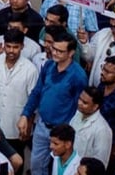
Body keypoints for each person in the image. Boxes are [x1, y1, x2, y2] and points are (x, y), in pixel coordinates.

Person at [18, 29, 88, 175]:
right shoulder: (48, 66)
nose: (55, 53)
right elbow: (37, 92)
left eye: (60, 51)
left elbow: (79, 107)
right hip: (42, 125)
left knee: (60, 169)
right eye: (53, 49)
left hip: (62, 131)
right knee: (36, 165)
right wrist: (25, 114)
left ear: (71, 53)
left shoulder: (78, 76)